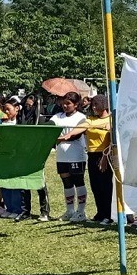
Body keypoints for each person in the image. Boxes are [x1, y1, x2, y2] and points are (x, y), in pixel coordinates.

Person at [61, 94, 113, 225]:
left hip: (105, 155)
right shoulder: (90, 120)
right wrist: (69, 135)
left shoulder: (111, 120)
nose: (94, 107)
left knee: (105, 186)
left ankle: (108, 215)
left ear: (104, 105)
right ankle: (100, 213)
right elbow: (81, 128)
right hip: (92, 155)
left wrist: (105, 157)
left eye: (96, 105)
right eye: (93, 105)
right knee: (95, 185)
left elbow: (113, 139)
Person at [50, 92, 88, 222]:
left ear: (76, 104)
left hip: (76, 154)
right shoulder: (58, 116)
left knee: (78, 181)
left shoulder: (81, 117)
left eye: (68, 103)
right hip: (61, 155)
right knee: (66, 182)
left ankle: (81, 212)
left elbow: (75, 135)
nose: (65, 106)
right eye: (63, 103)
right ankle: (70, 210)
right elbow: (49, 127)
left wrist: (59, 138)